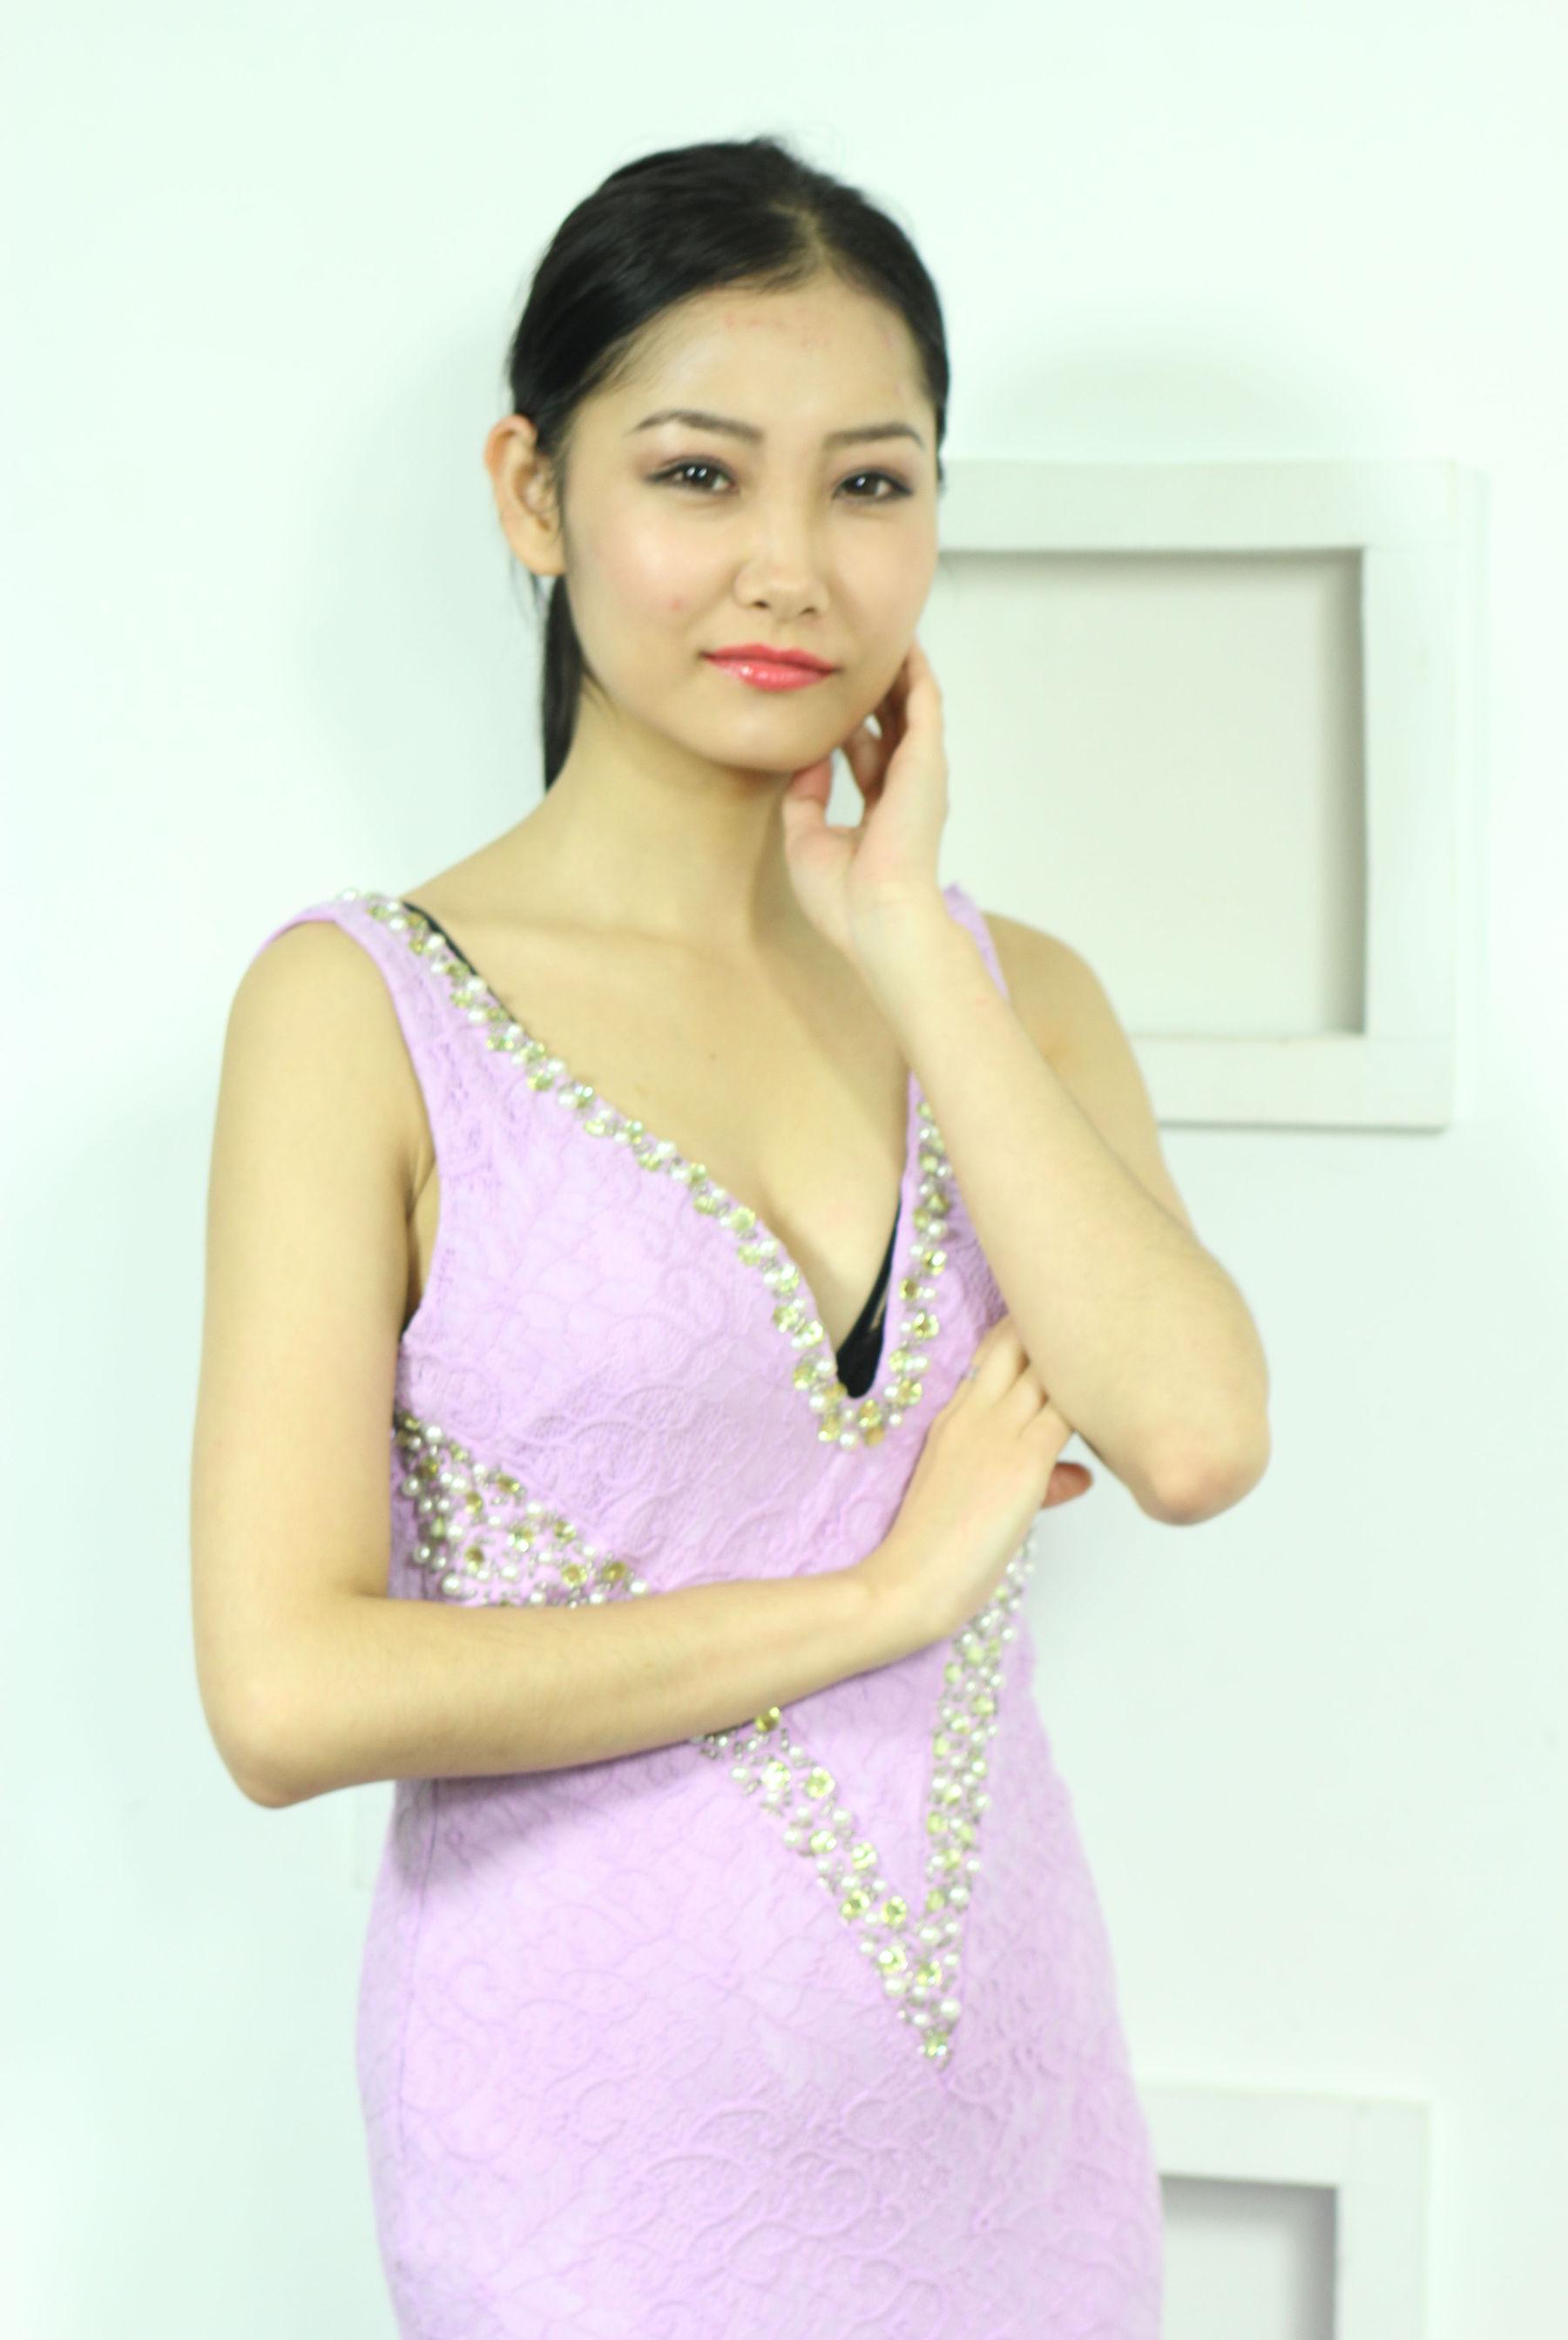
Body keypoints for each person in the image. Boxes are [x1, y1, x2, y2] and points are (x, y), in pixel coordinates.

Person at [193, 132, 1267, 2337]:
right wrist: (877, 1598)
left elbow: (1192, 1434)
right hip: (578, 2164)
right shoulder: (361, 1012)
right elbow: (287, 1688)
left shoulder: (1015, 994)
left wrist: (908, 940)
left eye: (870, 484)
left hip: (1011, 2144)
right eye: (698, 474)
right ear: (534, 492)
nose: (791, 565)